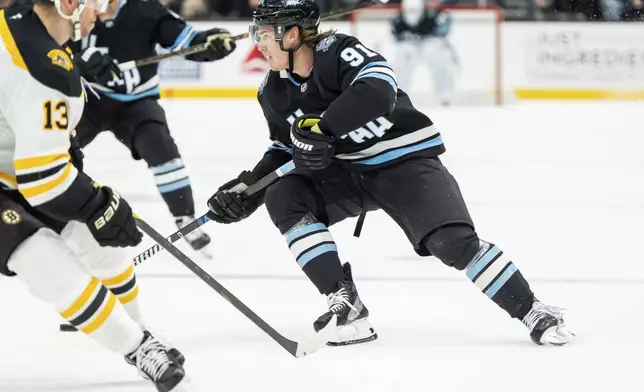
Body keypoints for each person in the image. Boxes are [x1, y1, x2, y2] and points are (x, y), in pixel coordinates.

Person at [206, 0, 574, 347]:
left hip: (402, 162)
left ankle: (532, 309)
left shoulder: (338, 51)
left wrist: (324, 128)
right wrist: (249, 187)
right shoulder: (272, 90)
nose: (257, 44)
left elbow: (378, 90)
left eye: (264, 35)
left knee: (452, 243)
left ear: (292, 35)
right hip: (346, 174)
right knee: (283, 196)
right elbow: (286, 148)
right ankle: (346, 305)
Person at [0, 1, 188, 390]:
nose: (103, 14)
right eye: (98, 4)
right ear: (69, 4)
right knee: (40, 256)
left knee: (99, 244)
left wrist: (78, 61)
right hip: (21, 175)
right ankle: (137, 348)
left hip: (12, 168)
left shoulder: (24, 22)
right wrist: (98, 203)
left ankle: (140, 330)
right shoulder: (44, 71)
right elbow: (44, 181)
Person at [67, 0, 237, 255]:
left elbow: (188, 42)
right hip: (88, 97)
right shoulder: (74, 10)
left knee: (162, 150)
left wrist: (209, 44)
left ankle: (185, 218)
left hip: (136, 101)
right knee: (58, 148)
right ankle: (41, 209)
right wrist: (76, 62)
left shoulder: (145, 9)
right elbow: (46, 52)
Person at [391, 0, 460, 106]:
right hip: (409, 44)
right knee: (402, 60)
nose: (412, 14)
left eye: (415, 11)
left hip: (430, 42)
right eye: (409, 11)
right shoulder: (397, 20)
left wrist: (431, 35)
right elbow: (395, 36)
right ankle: (397, 95)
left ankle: (445, 94)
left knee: (438, 59)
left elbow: (444, 30)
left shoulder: (436, 17)